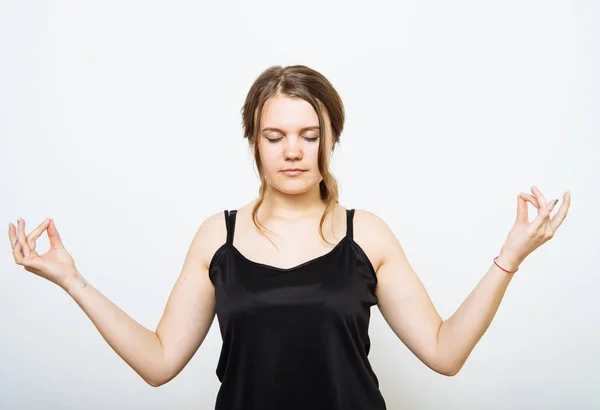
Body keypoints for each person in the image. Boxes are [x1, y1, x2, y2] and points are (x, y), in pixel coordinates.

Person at [8, 64, 571, 410]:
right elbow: (159, 363)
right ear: (254, 141)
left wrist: (510, 256)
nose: (294, 151)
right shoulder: (217, 237)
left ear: (331, 139)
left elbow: (445, 353)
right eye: (275, 136)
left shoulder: (366, 234)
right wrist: (72, 280)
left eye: (309, 134)